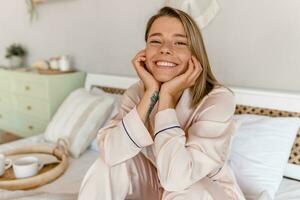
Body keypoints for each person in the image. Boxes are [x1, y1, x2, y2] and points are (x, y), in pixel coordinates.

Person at [78, 6, 245, 200]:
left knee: (188, 191)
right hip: (155, 185)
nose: (165, 49)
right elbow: (109, 152)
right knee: (108, 164)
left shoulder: (218, 99)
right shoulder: (138, 92)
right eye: (155, 41)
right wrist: (151, 93)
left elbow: (176, 179)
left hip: (203, 190)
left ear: (195, 54)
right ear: (145, 51)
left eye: (180, 43)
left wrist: (166, 97)